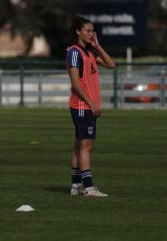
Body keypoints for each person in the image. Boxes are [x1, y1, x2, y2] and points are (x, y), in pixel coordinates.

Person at [66, 16, 115, 197]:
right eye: (87, 30)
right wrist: (91, 103)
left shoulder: (89, 53)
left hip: (86, 106)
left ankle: (76, 185)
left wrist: (98, 46)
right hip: (82, 105)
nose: (91, 34)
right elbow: (75, 82)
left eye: (92, 30)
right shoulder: (74, 52)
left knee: (80, 144)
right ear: (78, 31)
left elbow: (111, 65)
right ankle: (88, 188)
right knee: (86, 146)